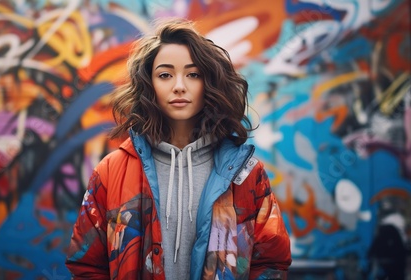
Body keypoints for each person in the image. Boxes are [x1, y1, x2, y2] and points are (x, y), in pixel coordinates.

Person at [65, 18, 291, 279]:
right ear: (149, 85)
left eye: (193, 74)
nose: (179, 86)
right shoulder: (111, 171)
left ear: (208, 83)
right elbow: (86, 265)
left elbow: (271, 263)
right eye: (165, 75)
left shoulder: (245, 175)